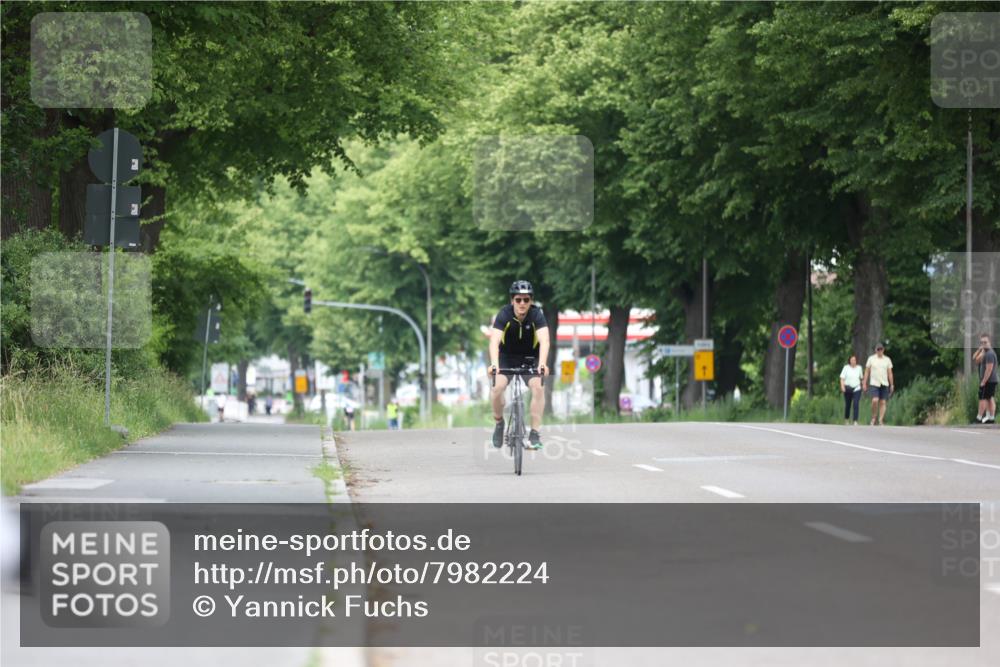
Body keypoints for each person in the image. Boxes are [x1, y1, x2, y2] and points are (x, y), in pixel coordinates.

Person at [487, 280, 550, 450]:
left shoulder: (537, 315)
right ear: (512, 301)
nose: (522, 303)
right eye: (518, 300)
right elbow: (494, 342)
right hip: (506, 357)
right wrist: (494, 365)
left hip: (530, 358)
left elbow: (544, 340)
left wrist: (542, 364)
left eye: (526, 300)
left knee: (538, 387)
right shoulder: (504, 314)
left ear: (531, 301)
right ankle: (499, 423)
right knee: (497, 388)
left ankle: (535, 433)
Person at [862, 342, 894, 426]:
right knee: (875, 400)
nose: (880, 351)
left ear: (883, 350)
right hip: (874, 383)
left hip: (884, 382)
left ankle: (880, 420)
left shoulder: (887, 360)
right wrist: (864, 383)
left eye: (881, 349)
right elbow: (867, 371)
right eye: (878, 349)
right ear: (875, 350)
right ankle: (873, 417)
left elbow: (890, 373)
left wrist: (892, 384)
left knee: (883, 402)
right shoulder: (871, 359)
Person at [973, 333, 997, 424]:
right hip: (991, 380)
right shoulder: (985, 352)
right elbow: (975, 359)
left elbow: (989, 369)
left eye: (985, 342)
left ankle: (979, 418)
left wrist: (983, 381)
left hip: (988, 380)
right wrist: (980, 349)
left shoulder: (989, 354)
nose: (983, 344)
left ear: (990, 342)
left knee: (982, 398)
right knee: (989, 398)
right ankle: (991, 418)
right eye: (982, 342)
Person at [839, 354, 863, 425]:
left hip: (857, 388)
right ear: (849, 361)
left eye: (854, 360)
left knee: (856, 404)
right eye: (852, 360)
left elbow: (861, 378)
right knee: (848, 404)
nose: (853, 361)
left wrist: (863, 385)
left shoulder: (859, 368)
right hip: (848, 388)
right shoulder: (846, 368)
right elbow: (842, 378)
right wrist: (842, 386)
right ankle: (846, 419)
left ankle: (855, 420)